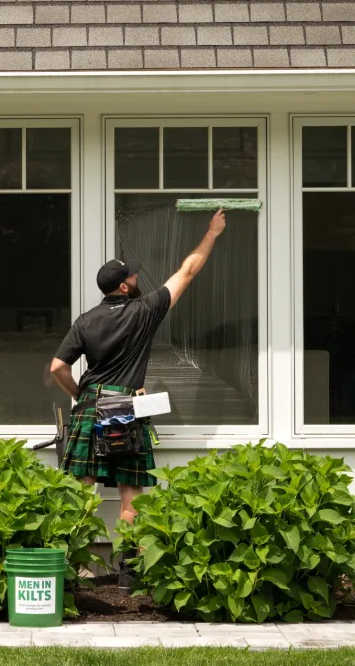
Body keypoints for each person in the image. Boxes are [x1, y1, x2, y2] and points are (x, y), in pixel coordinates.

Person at [49, 209, 227, 593]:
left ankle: (69, 571)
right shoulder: (144, 311)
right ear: (125, 287)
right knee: (130, 494)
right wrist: (211, 233)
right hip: (126, 409)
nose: (136, 276)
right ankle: (129, 574)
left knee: (81, 491)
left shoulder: (85, 321)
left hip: (92, 406)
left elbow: (57, 367)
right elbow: (188, 271)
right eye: (132, 275)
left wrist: (79, 395)